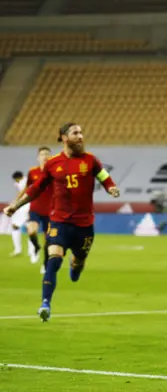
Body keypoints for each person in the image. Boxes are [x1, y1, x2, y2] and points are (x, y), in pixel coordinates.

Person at [3, 123, 120, 322]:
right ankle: (45, 304)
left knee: (78, 262)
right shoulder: (53, 164)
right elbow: (36, 189)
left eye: (82, 132)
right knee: (54, 260)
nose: (81, 136)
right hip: (59, 222)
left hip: (84, 225)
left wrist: (111, 188)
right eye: (75, 133)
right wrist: (16, 205)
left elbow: (104, 177)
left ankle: (76, 267)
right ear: (64, 138)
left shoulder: (91, 161)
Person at [13, 147, 53, 272]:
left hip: (50, 211)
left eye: (47, 154)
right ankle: (36, 247)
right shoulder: (33, 172)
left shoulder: (55, 172)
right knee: (31, 231)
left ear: (50, 157)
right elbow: (26, 189)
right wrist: (17, 200)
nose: (45, 156)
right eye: (42, 154)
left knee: (48, 240)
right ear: (38, 157)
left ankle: (45, 264)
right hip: (35, 208)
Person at [8, 171, 30, 257]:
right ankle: (31, 251)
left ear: (18, 178)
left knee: (15, 226)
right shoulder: (27, 180)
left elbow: (23, 193)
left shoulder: (22, 182)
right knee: (30, 228)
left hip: (25, 207)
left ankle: (18, 250)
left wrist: (15, 201)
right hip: (28, 206)